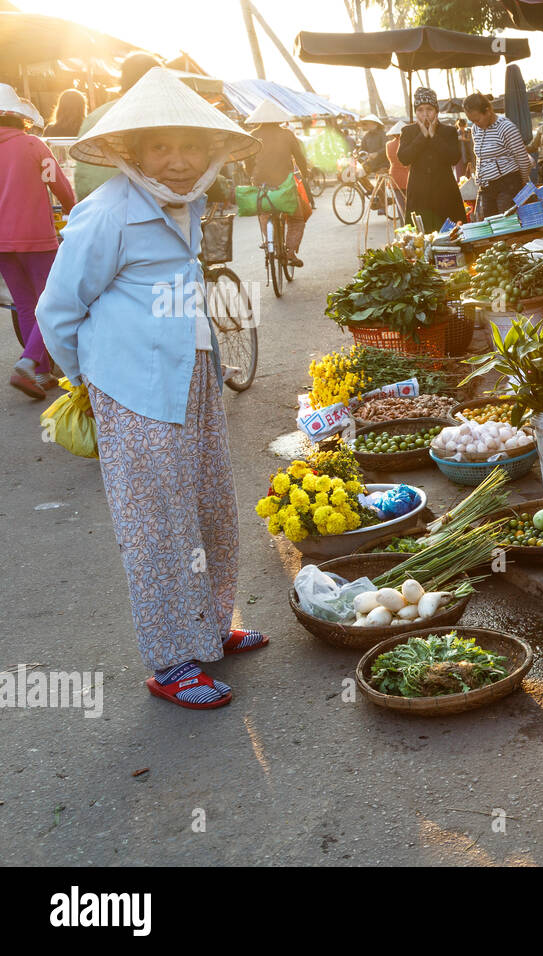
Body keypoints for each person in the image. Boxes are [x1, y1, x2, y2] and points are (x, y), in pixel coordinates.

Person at [35, 68, 268, 710]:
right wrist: (89, 381)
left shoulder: (186, 201)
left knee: (211, 505)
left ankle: (213, 628)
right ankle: (170, 660)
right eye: (160, 147)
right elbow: (56, 311)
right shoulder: (106, 210)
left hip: (190, 373)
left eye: (188, 145)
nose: (177, 159)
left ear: (208, 150)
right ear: (132, 152)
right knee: (157, 525)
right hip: (130, 386)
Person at [0, 83, 76, 398]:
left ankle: (42, 373)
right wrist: (75, 212)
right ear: (20, 118)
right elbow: (58, 184)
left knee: (26, 304)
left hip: (2, 245)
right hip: (37, 238)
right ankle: (29, 362)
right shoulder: (32, 145)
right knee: (54, 302)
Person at [73, 52, 163, 200]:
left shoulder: (95, 116)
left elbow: (82, 180)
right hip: (144, 208)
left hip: (93, 204)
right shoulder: (160, 117)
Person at [243, 98, 310, 269]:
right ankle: (290, 252)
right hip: (284, 185)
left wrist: (252, 176)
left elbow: (247, 163)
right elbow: (300, 157)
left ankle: (268, 241)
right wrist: (305, 174)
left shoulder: (253, 136)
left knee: (265, 214)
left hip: (261, 185)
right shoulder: (287, 134)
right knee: (297, 219)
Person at [397, 88, 464, 231]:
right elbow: (404, 158)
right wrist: (422, 136)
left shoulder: (449, 131)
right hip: (418, 195)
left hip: (445, 194)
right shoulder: (408, 132)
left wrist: (434, 136)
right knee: (420, 240)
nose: (425, 114)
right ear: (416, 112)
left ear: (436, 111)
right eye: (420, 110)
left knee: (451, 237)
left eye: (429, 109)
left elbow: (454, 158)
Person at [463, 91, 531, 218]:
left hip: (507, 184)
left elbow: (523, 159)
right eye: (472, 121)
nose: (476, 123)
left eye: (477, 119)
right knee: (488, 224)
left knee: (506, 224)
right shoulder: (475, 129)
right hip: (486, 186)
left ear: (488, 111)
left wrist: (522, 183)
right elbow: (480, 157)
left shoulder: (506, 127)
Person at [384, 120, 409, 224]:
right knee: (411, 206)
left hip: (395, 177)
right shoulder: (409, 144)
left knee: (400, 207)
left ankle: (404, 228)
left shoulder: (389, 145)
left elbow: (390, 159)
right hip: (408, 176)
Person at [454, 117, 474, 182]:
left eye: (463, 126)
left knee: (469, 175)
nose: (462, 128)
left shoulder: (468, 131)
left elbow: (470, 141)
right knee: (460, 175)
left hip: (468, 156)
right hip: (460, 157)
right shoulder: (456, 133)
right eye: (461, 126)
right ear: (458, 126)